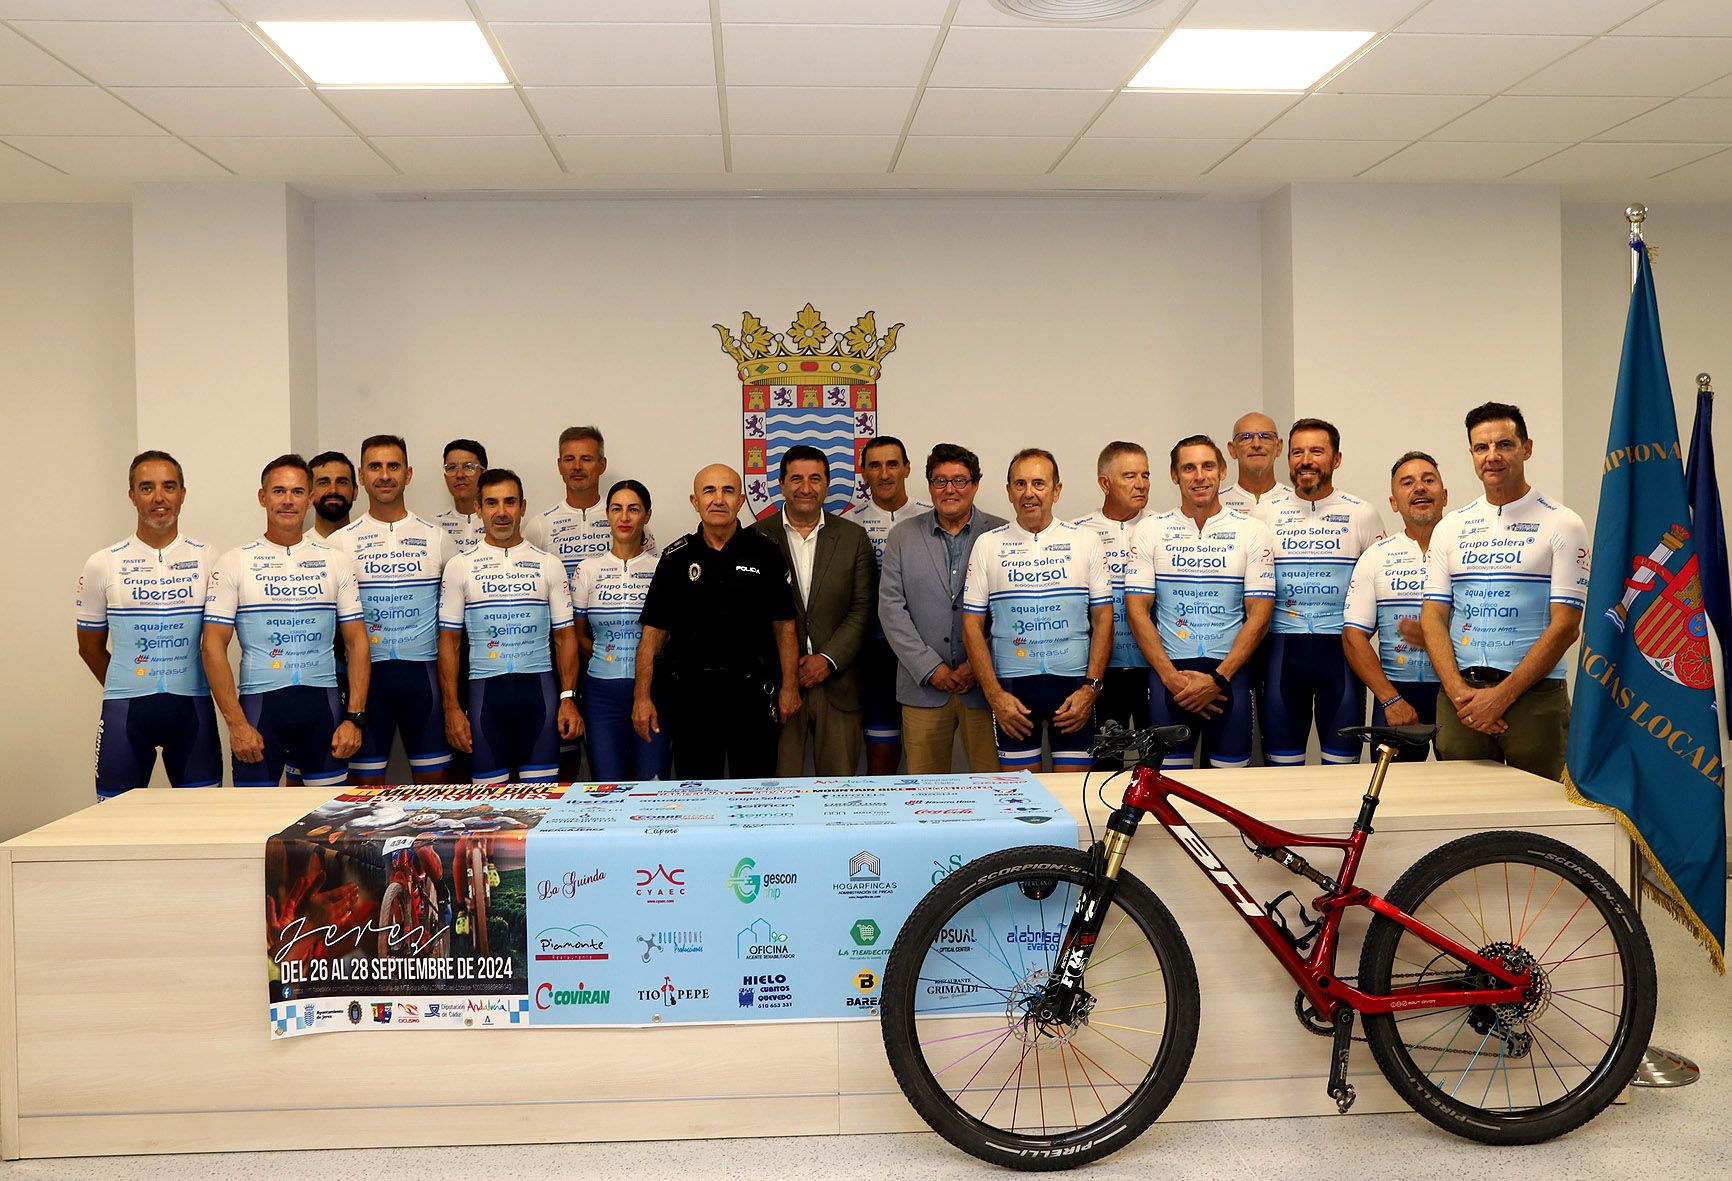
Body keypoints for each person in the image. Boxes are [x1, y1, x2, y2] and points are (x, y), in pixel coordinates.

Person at [1422, 403, 1588, 780]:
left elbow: (1566, 626)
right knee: (1465, 818)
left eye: (1504, 445)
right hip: (1460, 695)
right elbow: (1432, 615)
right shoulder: (1451, 526)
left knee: (1540, 819)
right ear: (1471, 454)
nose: (1492, 456)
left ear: (1527, 448)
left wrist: (1501, 697)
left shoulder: (1562, 522)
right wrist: (1458, 692)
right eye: (1481, 447)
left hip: (1534, 697)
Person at [201, 454, 368, 788]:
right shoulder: (236, 561)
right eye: (279, 491)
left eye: (296, 492)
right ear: (263, 497)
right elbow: (212, 646)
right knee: (252, 824)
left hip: (324, 708)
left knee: (326, 823)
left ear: (310, 498)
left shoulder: (335, 561)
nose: (288, 501)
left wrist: (354, 718)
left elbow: (357, 641)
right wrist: (236, 725)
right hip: (260, 711)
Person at [634, 464, 800, 779]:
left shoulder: (766, 552)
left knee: (755, 797)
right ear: (694, 501)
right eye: (709, 491)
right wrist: (642, 697)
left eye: (727, 491)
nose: (718, 499)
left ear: (740, 500)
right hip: (692, 698)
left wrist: (789, 687)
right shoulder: (675, 558)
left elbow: (785, 628)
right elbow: (652, 635)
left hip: (752, 694)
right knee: (697, 796)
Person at [75, 450, 221, 797]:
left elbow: (219, 639)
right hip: (126, 710)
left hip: (192, 710)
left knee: (202, 825)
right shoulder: (102, 563)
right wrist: (127, 683)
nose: (159, 497)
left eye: (169, 487)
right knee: (113, 824)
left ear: (182, 494)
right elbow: (89, 647)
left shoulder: (209, 557)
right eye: (147, 487)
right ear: (132, 496)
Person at [1125, 436, 1274, 768]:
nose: (1199, 476)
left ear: (1222, 471)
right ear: (1175, 475)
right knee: (1168, 790)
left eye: (1208, 466)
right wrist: (1172, 678)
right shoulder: (1151, 529)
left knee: (1228, 792)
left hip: (1229, 680)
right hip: (1169, 681)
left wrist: (1219, 678)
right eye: (1188, 468)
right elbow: (1137, 610)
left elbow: (1259, 614)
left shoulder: (1251, 530)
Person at [962, 448, 1112, 773]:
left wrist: (1091, 688)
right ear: (1009, 492)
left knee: (1072, 800)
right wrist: (994, 695)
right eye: (1020, 484)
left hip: (1073, 689)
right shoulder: (988, 544)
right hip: (1013, 692)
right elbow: (971, 626)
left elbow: (1103, 619)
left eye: (1039, 483)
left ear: (1056, 491)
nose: (1029, 493)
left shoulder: (1086, 541)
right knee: (1024, 803)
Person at [437, 468, 581, 785]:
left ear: (523, 507)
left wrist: (568, 698)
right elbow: (449, 643)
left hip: (539, 696)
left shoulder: (548, 564)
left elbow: (565, 636)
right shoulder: (460, 566)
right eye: (492, 503)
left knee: (542, 804)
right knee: (490, 810)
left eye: (509, 502)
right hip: (484, 699)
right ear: (478, 509)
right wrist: (451, 709)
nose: (501, 512)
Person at [327, 434, 457, 785]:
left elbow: (457, 624)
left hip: (424, 679)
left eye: (393, 466)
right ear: (362, 476)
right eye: (375, 467)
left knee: (435, 792)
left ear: (408, 473)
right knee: (361, 796)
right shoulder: (339, 543)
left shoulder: (437, 537)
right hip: (366, 683)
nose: (385, 475)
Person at [1258, 418, 1386, 765]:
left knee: (1342, 769)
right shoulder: (1265, 512)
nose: (1306, 460)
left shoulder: (1362, 513)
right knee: (1280, 768)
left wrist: (1362, 634)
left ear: (1336, 459)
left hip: (1341, 654)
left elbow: (1381, 588)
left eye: (1317, 451)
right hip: (1282, 651)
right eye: (1297, 452)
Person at [880, 444, 1007, 773]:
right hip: (922, 687)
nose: (950, 489)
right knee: (925, 794)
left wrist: (976, 665)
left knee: (995, 789)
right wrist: (930, 668)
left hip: (985, 689)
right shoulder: (902, 536)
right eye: (940, 481)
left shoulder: (1002, 534)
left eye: (960, 481)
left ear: (975, 485)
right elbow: (891, 610)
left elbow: (1010, 613)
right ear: (930, 485)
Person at [754, 445, 875, 777]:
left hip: (838, 682)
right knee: (778, 793)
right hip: (779, 686)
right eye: (796, 479)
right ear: (780, 484)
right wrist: (787, 667)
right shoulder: (755, 538)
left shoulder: (853, 538)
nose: (805, 488)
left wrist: (828, 659)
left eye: (814, 479)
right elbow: (751, 615)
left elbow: (863, 608)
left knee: (838, 796)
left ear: (827, 484)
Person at [1343, 452, 1448, 762]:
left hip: (1457, 693)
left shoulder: (1466, 550)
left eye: (1428, 480)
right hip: (1396, 693)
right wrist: (1390, 700)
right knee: (1394, 797)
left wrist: (1435, 634)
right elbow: (1352, 637)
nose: (1419, 488)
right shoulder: (1376, 556)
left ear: (1444, 496)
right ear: (1393, 502)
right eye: (1407, 483)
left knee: (1465, 794)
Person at [524, 425, 615, 780]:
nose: (578, 466)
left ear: (602, 465)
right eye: (569, 459)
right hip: (561, 651)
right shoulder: (539, 526)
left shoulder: (623, 515)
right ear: (559, 465)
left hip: (611, 654)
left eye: (587, 459)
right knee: (565, 750)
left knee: (610, 752)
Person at [572, 480, 668, 780]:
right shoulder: (588, 569)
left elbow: (670, 636)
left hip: (654, 691)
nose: (624, 517)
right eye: (617, 509)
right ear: (608, 514)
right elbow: (576, 635)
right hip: (602, 694)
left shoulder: (662, 567)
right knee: (607, 789)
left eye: (633, 509)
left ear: (647, 515)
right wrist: (605, 656)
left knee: (652, 793)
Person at [852, 435, 930, 774]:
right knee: (881, 756)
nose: (884, 474)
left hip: (925, 650)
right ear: (864, 473)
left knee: (926, 751)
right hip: (873, 653)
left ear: (907, 469)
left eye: (892, 464)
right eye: (875, 465)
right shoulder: (847, 524)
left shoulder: (931, 516)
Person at [1072, 441, 1152, 749]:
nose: (1141, 484)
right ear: (1105, 483)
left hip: (1153, 670)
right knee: (1105, 765)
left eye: (1145, 475)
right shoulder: (1078, 532)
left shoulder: (1163, 526)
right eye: (1130, 476)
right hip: (1102, 673)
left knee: (1156, 767)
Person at [1220, 412, 1293, 515]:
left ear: (1279, 447)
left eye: (1265, 437)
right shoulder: (1217, 504)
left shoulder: (1298, 502)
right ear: (1232, 449)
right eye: (1246, 437)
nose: (1256, 444)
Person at [435, 439, 489, 554]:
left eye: (469, 467)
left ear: (484, 474)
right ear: (445, 477)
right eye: (452, 468)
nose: (459, 475)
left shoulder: (499, 522)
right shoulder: (434, 527)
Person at [306, 451, 356, 540]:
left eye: (342, 482)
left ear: (355, 492)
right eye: (323, 483)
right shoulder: (297, 550)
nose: (333, 490)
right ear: (309, 494)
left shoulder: (369, 545)